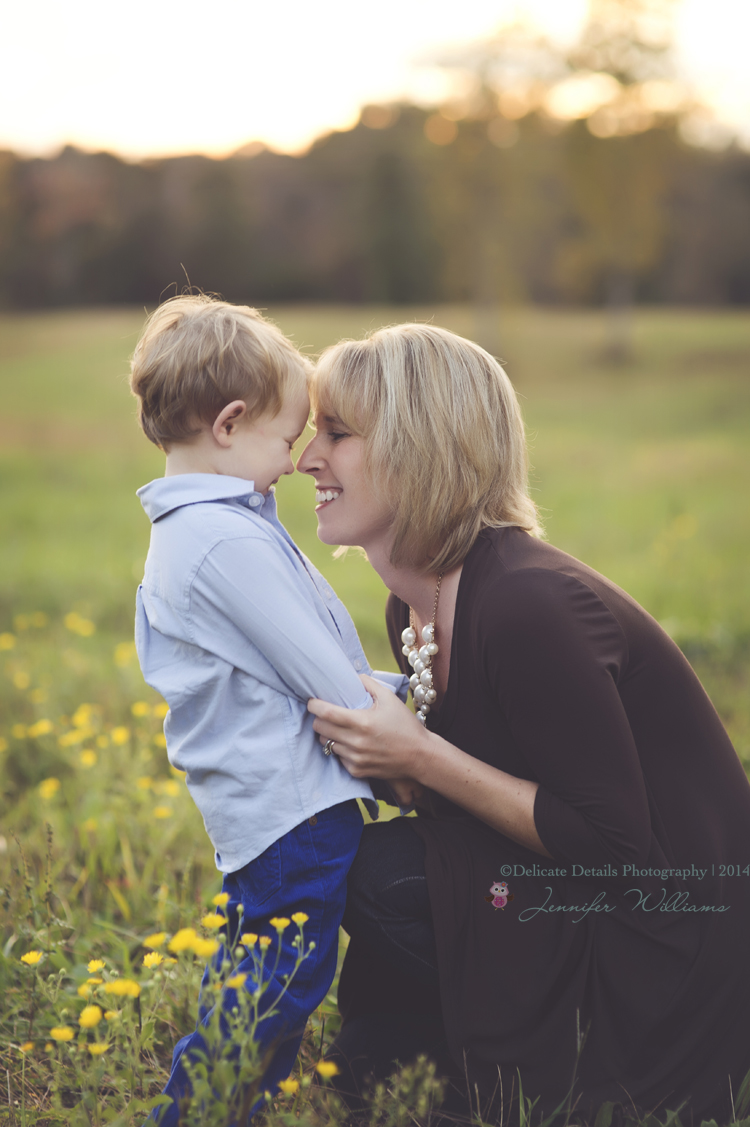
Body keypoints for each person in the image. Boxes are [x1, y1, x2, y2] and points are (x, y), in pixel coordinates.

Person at [297, 322, 750, 1125]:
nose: (307, 458)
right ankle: (452, 1051)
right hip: (577, 891)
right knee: (370, 973)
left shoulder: (527, 605)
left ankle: (559, 1059)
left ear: (417, 445)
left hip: (668, 939)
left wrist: (424, 758)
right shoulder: (419, 596)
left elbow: (613, 841)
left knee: (382, 877)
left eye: (336, 434)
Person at [128, 295, 407, 1124]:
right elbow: (324, 675)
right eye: (286, 441)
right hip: (293, 814)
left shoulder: (222, 524)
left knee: (271, 981)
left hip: (288, 809)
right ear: (230, 422)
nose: (294, 462)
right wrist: (426, 721)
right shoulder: (217, 543)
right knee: (275, 989)